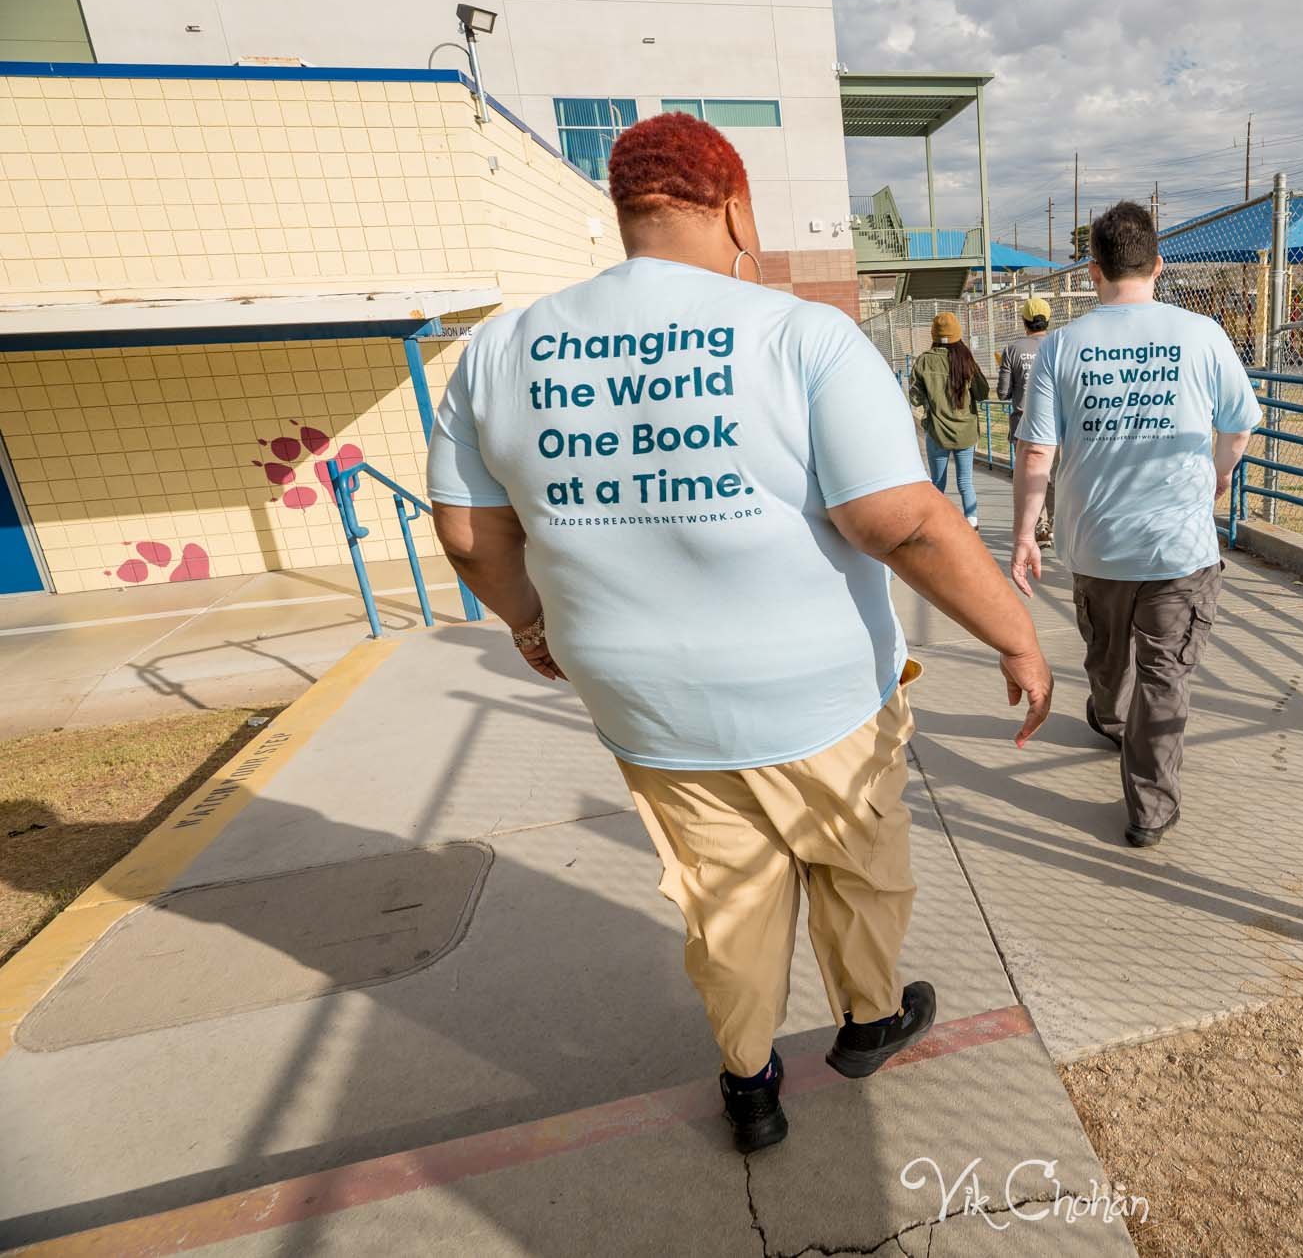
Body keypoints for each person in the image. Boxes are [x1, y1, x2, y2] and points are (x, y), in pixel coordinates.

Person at [427, 112, 1053, 1155]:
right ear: (733, 206)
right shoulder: (800, 336)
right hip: (820, 695)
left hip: (646, 704)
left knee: (724, 899)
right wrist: (1015, 635)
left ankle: (751, 1080)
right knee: (857, 865)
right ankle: (867, 1022)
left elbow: (465, 535)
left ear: (626, 213)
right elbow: (897, 521)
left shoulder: (498, 351)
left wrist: (529, 620)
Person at [1009, 201, 1258, 849]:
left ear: (1093, 270)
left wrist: (1024, 535)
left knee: (1107, 651)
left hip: (1096, 543)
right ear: (1158, 265)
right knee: (1164, 675)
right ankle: (1148, 802)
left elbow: (1036, 452)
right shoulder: (1202, 334)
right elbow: (1239, 424)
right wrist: (1220, 473)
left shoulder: (1062, 345)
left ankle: (1112, 720)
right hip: (1179, 546)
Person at [907, 312, 990, 528]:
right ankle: (972, 522)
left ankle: (937, 525)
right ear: (957, 334)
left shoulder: (924, 361)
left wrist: (930, 399)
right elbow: (982, 392)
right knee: (965, 482)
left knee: (937, 483)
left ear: (933, 334)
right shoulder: (966, 359)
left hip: (937, 432)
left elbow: (914, 397)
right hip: (966, 432)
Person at [998, 295, 1056, 547]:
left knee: (1031, 476)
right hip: (1056, 420)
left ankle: (1039, 525)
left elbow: (1003, 392)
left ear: (1024, 321)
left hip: (1024, 422)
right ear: (1048, 320)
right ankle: (1056, 524)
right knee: (1055, 475)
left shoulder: (1013, 349)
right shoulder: (1059, 344)